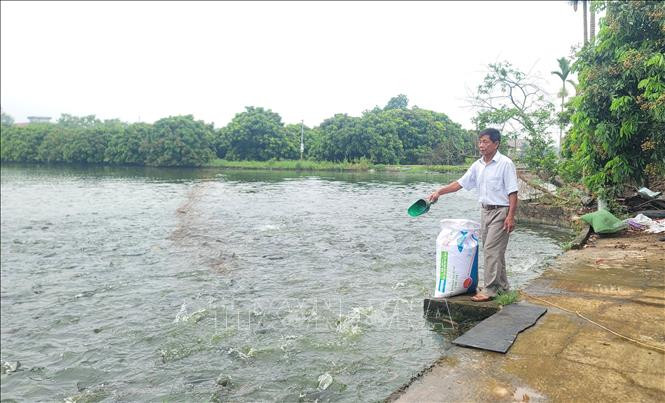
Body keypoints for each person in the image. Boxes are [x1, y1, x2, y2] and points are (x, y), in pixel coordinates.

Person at [428, 128, 519, 302]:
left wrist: (511, 216)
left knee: (492, 250)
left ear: (496, 144)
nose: (481, 145)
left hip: (501, 210)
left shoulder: (505, 163)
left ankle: (490, 290)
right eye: (480, 141)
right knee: (494, 251)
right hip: (485, 211)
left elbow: (513, 192)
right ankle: (503, 287)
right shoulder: (478, 165)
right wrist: (440, 191)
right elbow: (460, 183)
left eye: (485, 142)